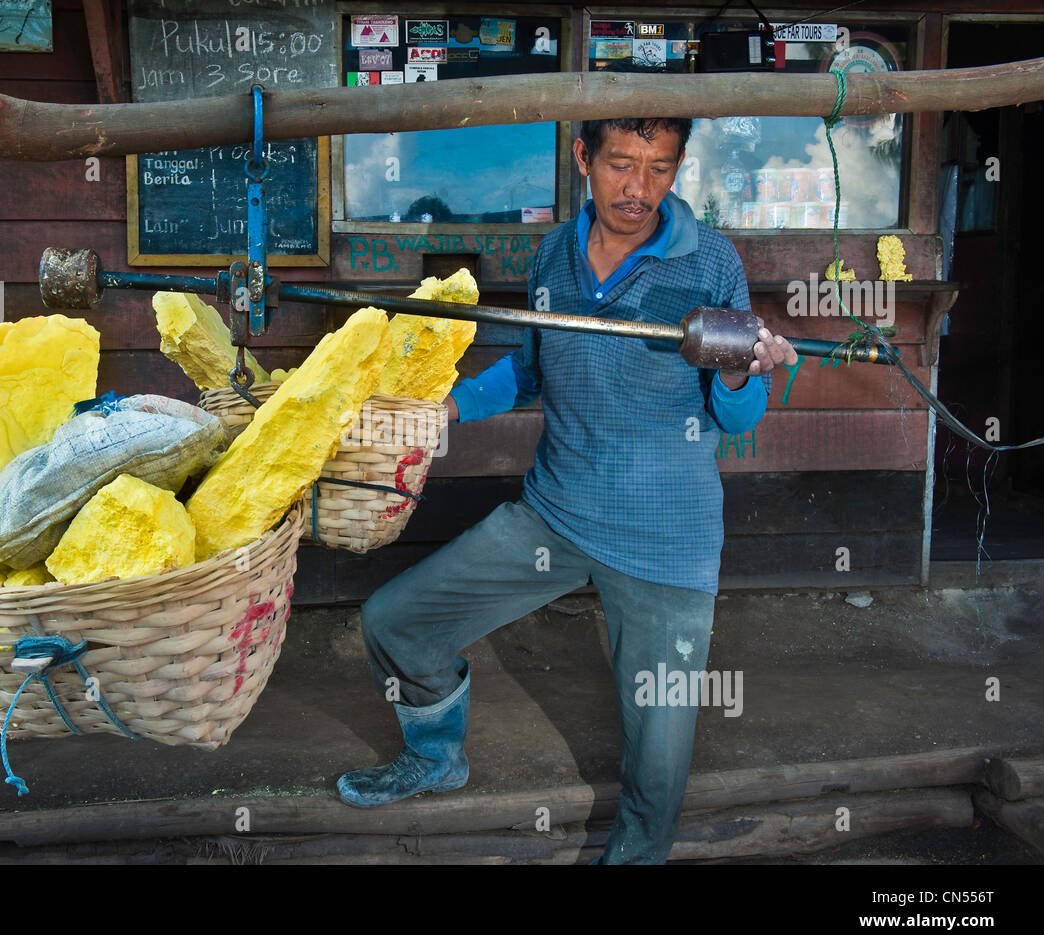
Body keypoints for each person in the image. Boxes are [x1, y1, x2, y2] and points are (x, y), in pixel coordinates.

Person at [336, 117, 799, 864]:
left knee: (657, 762)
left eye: (660, 168)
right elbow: (530, 366)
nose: (639, 189)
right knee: (397, 622)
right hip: (556, 512)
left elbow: (735, 413)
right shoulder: (553, 250)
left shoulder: (710, 262)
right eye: (620, 164)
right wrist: (445, 410)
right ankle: (436, 757)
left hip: (664, 536)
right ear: (583, 157)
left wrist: (745, 369)